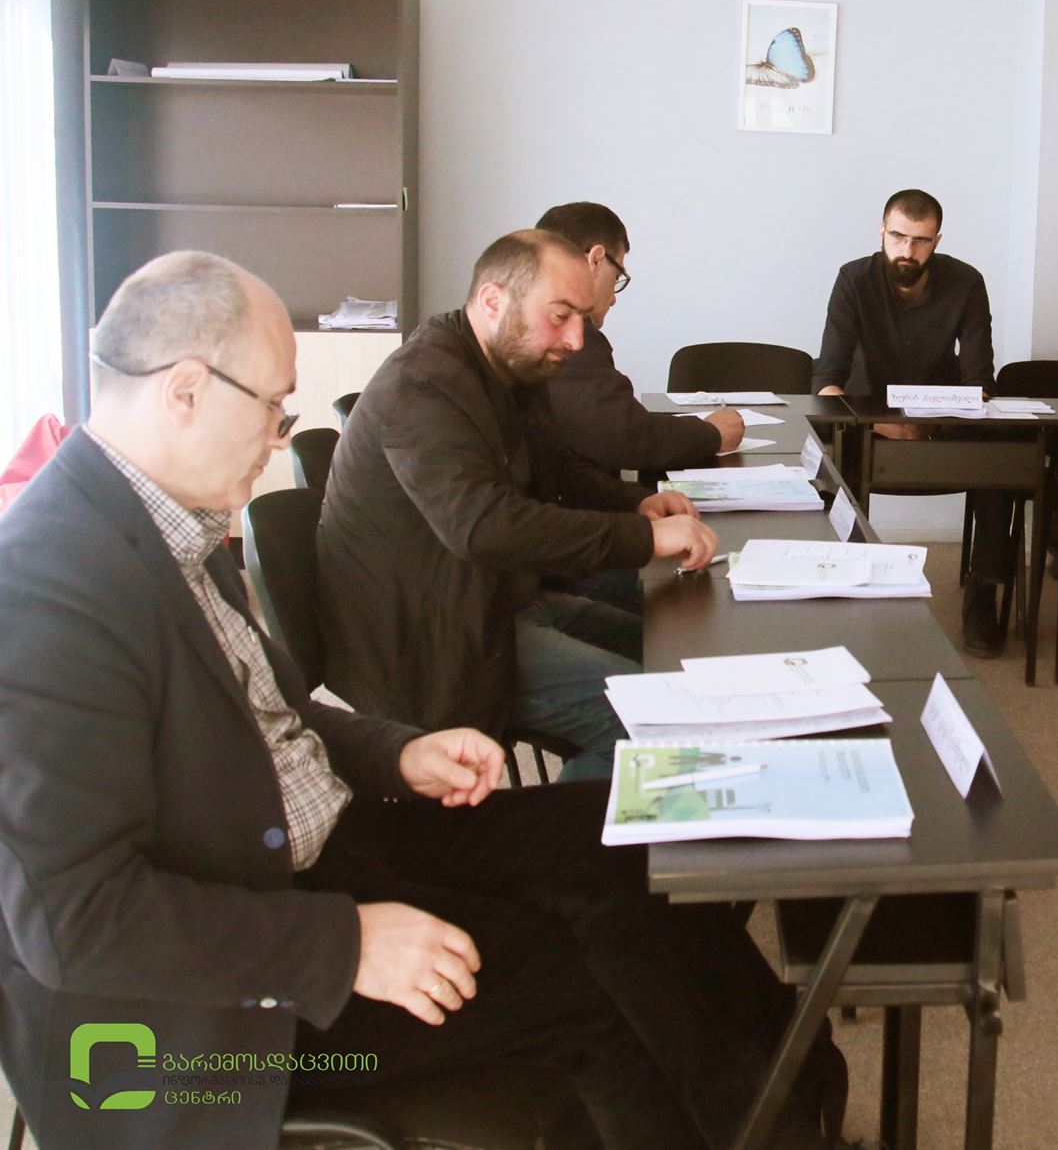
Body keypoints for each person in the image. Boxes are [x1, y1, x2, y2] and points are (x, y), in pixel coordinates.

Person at [0, 252, 839, 1150]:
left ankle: (783, 1104)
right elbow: (74, 922)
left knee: (625, 836)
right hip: (208, 1019)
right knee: (574, 982)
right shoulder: (48, 589)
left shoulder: (172, 521)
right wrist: (346, 944)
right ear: (185, 391)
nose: (280, 438)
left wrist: (395, 751)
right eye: (274, 409)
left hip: (326, 844)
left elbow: (267, 720)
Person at [320, 229, 717, 780]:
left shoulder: (509, 365)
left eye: (582, 318)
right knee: (650, 720)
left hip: (497, 599)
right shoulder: (423, 384)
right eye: (560, 316)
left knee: (672, 654)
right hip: (433, 641)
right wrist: (645, 538)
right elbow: (484, 527)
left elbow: (555, 472)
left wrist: (639, 503)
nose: (576, 339)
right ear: (493, 300)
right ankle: (568, 836)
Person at [813, 189, 1013, 656]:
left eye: (921, 240)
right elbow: (826, 381)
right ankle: (841, 579)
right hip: (866, 424)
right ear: (881, 233)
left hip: (942, 422)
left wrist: (932, 426)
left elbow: (980, 383)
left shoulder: (966, 282)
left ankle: (983, 591)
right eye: (898, 237)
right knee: (826, 438)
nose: (908, 250)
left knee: (1001, 452)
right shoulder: (853, 279)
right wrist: (881, 425)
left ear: (937, 241)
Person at [537, 201, 743, 613]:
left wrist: (630, 500)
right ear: (596, 260)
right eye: (618, 277)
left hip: (562, 544)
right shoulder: (551, 338)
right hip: (546, 566)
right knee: (708, 596)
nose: (613, 300)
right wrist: (709, 434)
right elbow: (624, 435)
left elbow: (559, 467)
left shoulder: (547, 338)